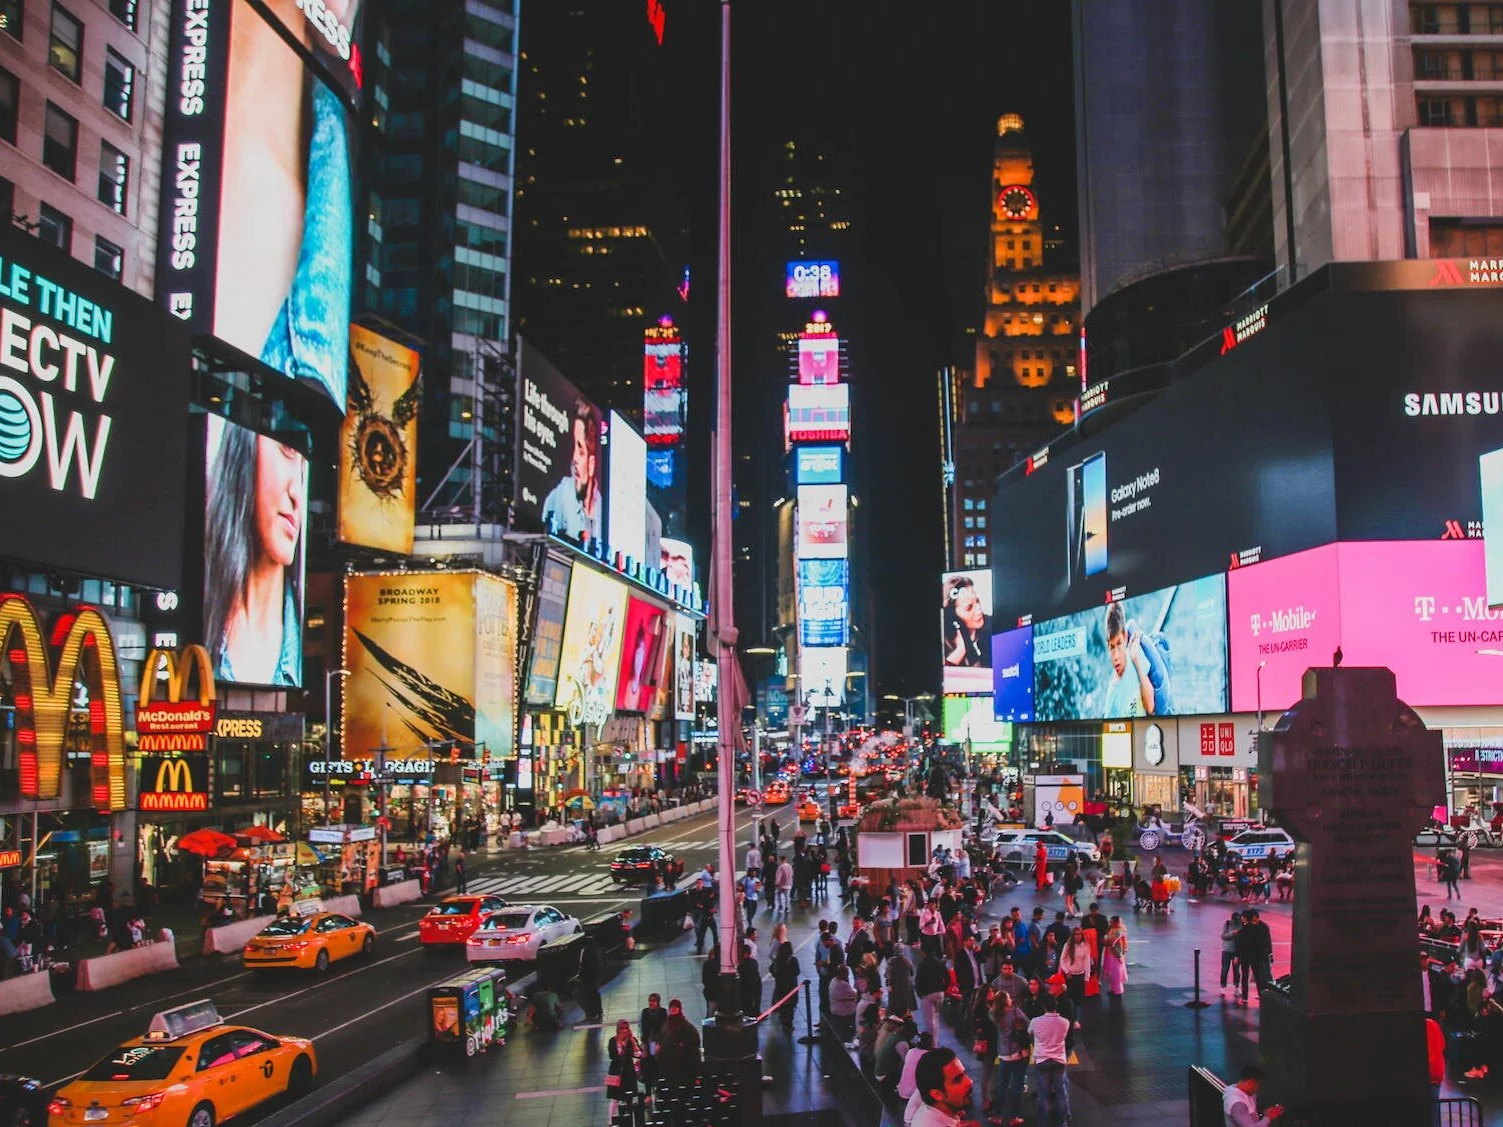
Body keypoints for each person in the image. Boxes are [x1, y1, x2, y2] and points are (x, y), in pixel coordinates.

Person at [203, 418, 306, 686]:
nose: (297, 492)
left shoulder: (295, 647)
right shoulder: (201, 615)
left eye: (304, 470)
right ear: (241, 451)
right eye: (287, 450)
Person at [542, 399, 603, 543]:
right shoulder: (559, 498)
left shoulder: (601, 505)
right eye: (574, 447)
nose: (574, 458)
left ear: (592, 464)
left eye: (580, 450)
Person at [1029, 995, 1073, 1127]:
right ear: (1056, 1006)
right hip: (1059, 1060)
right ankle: (1063, 1121)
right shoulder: (1065, 1022)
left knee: (1043, 1094)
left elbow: (1030, 1032)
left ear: (1044, 1007)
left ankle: (1042, 1123)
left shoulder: (1035, 1021)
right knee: (1061, 1092)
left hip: (1042, 1060)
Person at [911, 1047, 975, 1127]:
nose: (969, 1081)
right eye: (957, 1080)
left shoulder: (934, 1109)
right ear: (937, 1094)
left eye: (964, 1074)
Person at [943, 574, 991, 669]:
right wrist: (961, 649)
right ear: (952, 615)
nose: (979, 610)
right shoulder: (945, 642)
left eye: (977, 601)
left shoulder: (991, 626)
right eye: (969, 608)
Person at [606, 1019, 646, 1127]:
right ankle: (611, 1121)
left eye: (626, 1028)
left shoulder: (631, 1040)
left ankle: (628, 1118)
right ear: (618, 1029)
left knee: (630, 1096)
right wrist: (621, 1047)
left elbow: (638, 1054)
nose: (624, 1031)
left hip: (628, 1072)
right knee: (615, 1098)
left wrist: (632, 1041)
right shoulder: (612, 1041)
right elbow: (612, 1056)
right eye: (622, 1028)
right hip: (616, 1072)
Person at [654, 999, 702, 1087]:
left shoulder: (684, 1023)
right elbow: (660, 1035)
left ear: (679, 1009)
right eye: (671, 1007)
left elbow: (694, 1038)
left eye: (676, 1007)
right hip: (666, 1057)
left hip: (678, 1059)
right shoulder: (666, 1022)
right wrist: (658, 1044)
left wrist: (684, 1044)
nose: (673, 1009)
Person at [1235, 910, 1273, 1004]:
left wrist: (1237, 956)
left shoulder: (1242, 930)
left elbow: (1239, 944)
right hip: (1256, 957)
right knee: (1258, 976)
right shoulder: (1258, 929)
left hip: (1244, 957)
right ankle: (1261, 994)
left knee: (1245, 976)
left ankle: (1245, 997)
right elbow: (1262, 943)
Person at [915, 948, 949, 1039]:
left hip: (928, 995)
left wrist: (920, 994)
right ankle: (936, 1040)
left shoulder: (922, 965)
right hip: (940, 994)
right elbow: (948, 977)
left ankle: (932, 1044)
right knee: (936, 1018)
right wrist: (943, 989)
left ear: (923, 952)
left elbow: (918, 981)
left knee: (929, 1021)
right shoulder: (940, 963)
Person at [772, 939, 802, 1032]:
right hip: (791, 987)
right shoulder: (793, 960)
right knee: (790, 1008)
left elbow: (773, 971)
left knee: (783, 1006)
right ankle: (789, 1024)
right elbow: (797, 972)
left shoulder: (778, 961)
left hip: (781, 987)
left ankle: (783, 1022)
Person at [1220, 910, 1242, 993]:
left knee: (1236, 970)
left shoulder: (1241, 925)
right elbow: (1223, 936)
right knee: (1225, 968)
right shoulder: (1227, 924)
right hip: (1227, 950)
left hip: (1236, 951)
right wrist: (1233, 933)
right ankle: (1222, 987)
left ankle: (1236, 987)